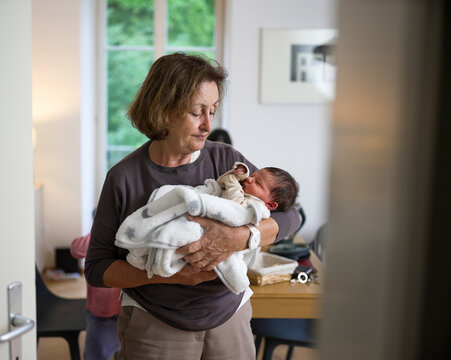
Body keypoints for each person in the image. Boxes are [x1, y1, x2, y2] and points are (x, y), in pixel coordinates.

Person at [84, 52, 301, 360]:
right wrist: (166, 275)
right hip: (156, 323)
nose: (208, 125)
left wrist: (243, 237)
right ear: (165, 110)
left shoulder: (226, 160)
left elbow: (290, 215)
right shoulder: (124, 177)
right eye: (198, 112)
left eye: (213, 111)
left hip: (230, 315)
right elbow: (96, 268)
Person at [114, 161, 299, 294]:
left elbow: (232, 207)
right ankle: (152, 246)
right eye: (252, 176)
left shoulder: (256, 207)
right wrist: (236, 174)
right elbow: (222, 183)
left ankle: (158, 252)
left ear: (271, 205)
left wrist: (233, 182)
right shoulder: (245, 187)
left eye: (257, 182)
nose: (250, 180)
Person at [70, 234, 121, 360]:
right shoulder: (100, 234)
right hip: (102, 313)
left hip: (131, 310)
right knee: (95, 354)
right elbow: (76, 249)